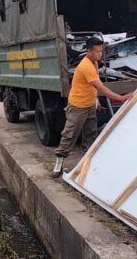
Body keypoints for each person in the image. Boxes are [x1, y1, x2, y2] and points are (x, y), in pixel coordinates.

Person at [51, 37, 132, 178]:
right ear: (89, 51)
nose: (100, 54)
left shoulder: (93, 63)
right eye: (98, 51)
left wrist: (94, 99)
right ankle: (58, 165)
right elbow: (101, 87)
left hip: (89, 106)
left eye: (101, 51)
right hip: (78, 106)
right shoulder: (85, 66)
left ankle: (86, 166)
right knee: (69, 135)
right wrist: (121, 98)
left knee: (90, 135)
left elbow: (92, 84)